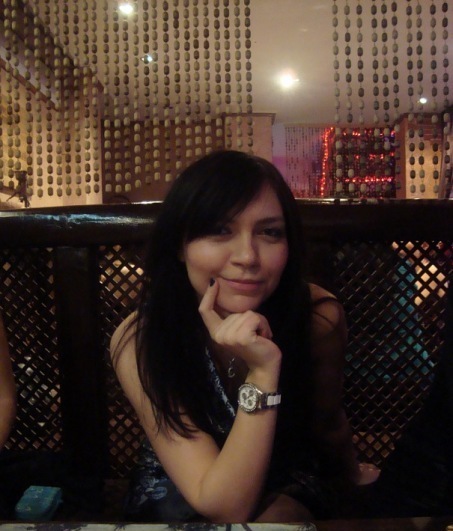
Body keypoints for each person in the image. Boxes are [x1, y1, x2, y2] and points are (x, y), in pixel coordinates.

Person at [110, 150, 378, 523]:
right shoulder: (142, 338)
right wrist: (263, 374)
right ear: (180, 245)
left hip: (283, 475)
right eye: (220, 230)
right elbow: (223, 505)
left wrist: (352, 475)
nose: (248, 256)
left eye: (270, 232)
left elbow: (327, 420)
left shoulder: (316, 317)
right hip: (181, 485)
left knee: (278, 517)